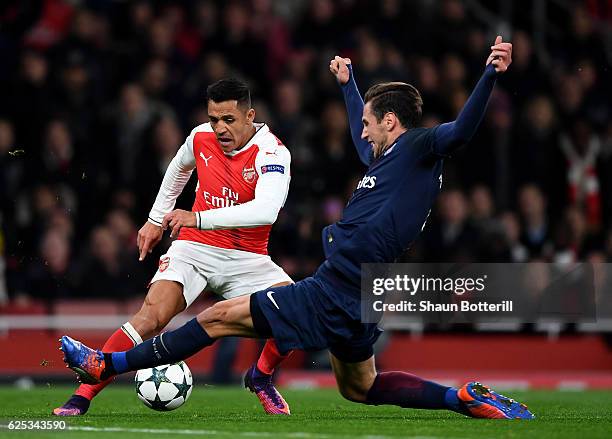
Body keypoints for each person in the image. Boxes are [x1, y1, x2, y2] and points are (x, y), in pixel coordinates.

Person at [61, 37, 534, 419]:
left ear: (392, 122)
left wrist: (489, 74)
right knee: (361, 387)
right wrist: (350, 87)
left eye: (371, 123)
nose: (363, 132)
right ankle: (459, 398)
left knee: (216, 318)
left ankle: (108, 363)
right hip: (364, 289)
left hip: (341, 280)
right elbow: (357, 135)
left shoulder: (422, 146)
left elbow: (462, 131)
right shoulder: (388, 159)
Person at [54, 78, 294, 416]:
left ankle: (261, 377)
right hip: (195, 248)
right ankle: (82, 395)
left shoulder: (273, 152)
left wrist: (198, 217)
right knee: (151, 316)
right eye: (214, 119)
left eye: (229, 119)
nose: (220, 128)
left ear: (249, 115)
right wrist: (155, 219)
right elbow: (179, 168)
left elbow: (265, 211)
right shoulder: (200, 137)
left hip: (248, 256)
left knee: (295, 313)